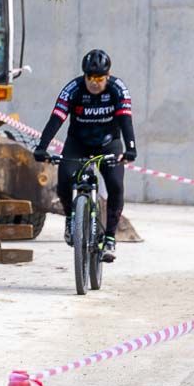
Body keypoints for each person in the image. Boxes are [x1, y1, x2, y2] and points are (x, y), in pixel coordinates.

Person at [32, 49, 137, 262]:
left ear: (108, 76)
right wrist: (42, 147)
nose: (94, 83)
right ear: (84, 76)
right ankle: (72, 218)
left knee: (116, 185)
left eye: (99, 78)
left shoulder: (118, 89)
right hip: (78, 143)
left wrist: (131, 148)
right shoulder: (74, 89)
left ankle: (109, 238)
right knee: (64, 180)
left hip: (109, 143)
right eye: (90, 77)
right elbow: (56, 118)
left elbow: (126, 121)